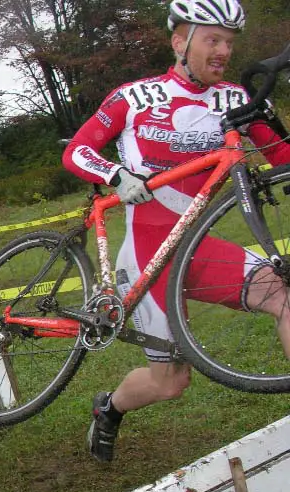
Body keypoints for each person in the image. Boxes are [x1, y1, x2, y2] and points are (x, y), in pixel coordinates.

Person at [62, 0, 290, 462]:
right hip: (148, 253)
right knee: (171, 382)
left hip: (199, 250)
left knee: (282, 293)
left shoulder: (239, 101)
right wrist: (115, 176)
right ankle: (108, 408)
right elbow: (77, 151)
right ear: (180, 42)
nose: (223, 50)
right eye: (212, 39)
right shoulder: (135, 97)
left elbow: (283, 163)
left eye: (229, 41)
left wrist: (266, 122)